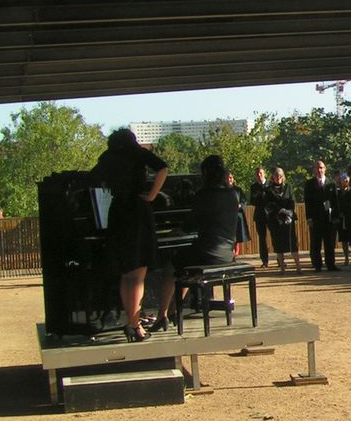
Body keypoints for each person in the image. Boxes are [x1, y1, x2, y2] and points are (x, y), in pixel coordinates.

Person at [90, 128, 169, 342]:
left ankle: (131, 320)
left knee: (126, 272)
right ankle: (134, 325)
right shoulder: (138, 153)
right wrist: (151, 196)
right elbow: (163, 168)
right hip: (138, 210)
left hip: (117, 211)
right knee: (139, 272)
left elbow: (93, 178)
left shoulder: (108, 157)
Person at [152, 155, 244, 331]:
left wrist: (175, 231)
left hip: (208, 251)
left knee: (173, 267)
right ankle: (174, 309)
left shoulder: (203, 195)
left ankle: (162, 314)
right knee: (185, 267)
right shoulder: (233, 195)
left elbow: (188, 226)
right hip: (227, 253)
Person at [263, 167, 301, 274]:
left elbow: (292, 200)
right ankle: (282, 269)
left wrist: (289, 212)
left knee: (292, 243)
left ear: (283, 176)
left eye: (280, 175)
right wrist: (280, 210)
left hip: (288, 219)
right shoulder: (268, 190)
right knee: (278, 244)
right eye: (276, 175)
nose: (278, 177)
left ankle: (298, 268)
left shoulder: (288, 187)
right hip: (276, 220)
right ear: (272, 177)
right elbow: (268, 204)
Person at [304, 160, 339, 272]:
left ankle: (331, 264)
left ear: (325, 169)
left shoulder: (331, 184)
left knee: (330, 243)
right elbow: (307, 202)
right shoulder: (309, 184)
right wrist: (309, 218)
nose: (320, 170)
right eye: (317, 168)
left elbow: (335, 202)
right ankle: (317, 265)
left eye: (322, 167)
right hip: (315, 218)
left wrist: (335, 217)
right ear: (314, 170)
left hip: (329, 219)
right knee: (315, 243)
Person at [249, 167, 270, 268]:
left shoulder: (270, 185)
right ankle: (264, 261)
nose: (259, 175)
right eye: (257, 174)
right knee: (262, 239)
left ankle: (280, 260)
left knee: (276, 237)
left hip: (271, 214)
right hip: (259, 215)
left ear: (264, 174)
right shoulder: (254, 187)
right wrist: (262, 197)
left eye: (261, 173)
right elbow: (252, 201)